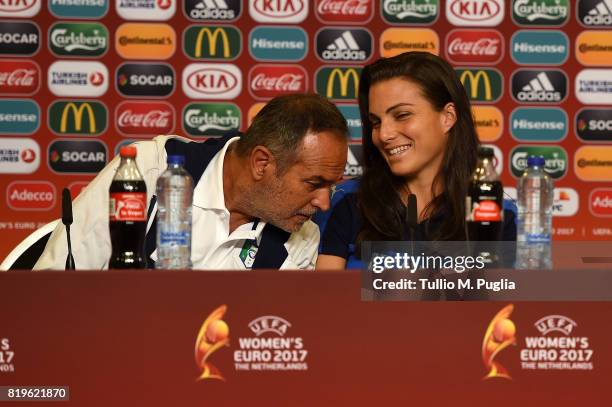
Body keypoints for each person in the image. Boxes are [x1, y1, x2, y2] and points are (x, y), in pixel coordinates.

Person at [35, 94, 348, 270]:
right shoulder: (145, 172)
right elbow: (53, 290)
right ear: (261, 163)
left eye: (331, 186)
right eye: (313, 183)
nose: (323, 203)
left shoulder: (302, 239)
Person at [315, 52, 516, 270]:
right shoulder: (345, 202)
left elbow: (502, 300)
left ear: (447, 117)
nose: (384, 134)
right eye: (375, 122)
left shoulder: (494, 210)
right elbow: (324, 299)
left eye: (402, 115)